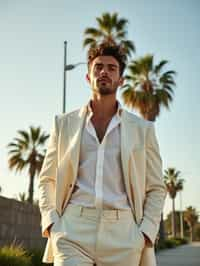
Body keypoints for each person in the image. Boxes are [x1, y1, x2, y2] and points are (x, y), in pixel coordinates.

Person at [38, 42, 166, 266]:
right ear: (88, 77)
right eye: (98, 67)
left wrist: (145, 232)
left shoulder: (143, 130)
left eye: (111, 68)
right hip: (72, 230)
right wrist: (51, 223)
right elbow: (47, 179)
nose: (104, 71)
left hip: (124, 234)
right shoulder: (63, 124)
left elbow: (156, 187)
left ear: (121, 80)